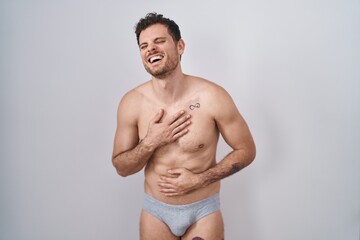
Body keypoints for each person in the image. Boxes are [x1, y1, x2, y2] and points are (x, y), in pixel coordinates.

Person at [112, 12, 256, 240]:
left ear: (180, 46)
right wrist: (150, 142)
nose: (151, 49)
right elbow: (122, 167)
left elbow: (247, 150)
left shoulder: (212, 97)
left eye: (159, 41)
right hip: (155, 213)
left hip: (202, 212)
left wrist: (200, 179)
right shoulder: (131, 103)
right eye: (144, 46)